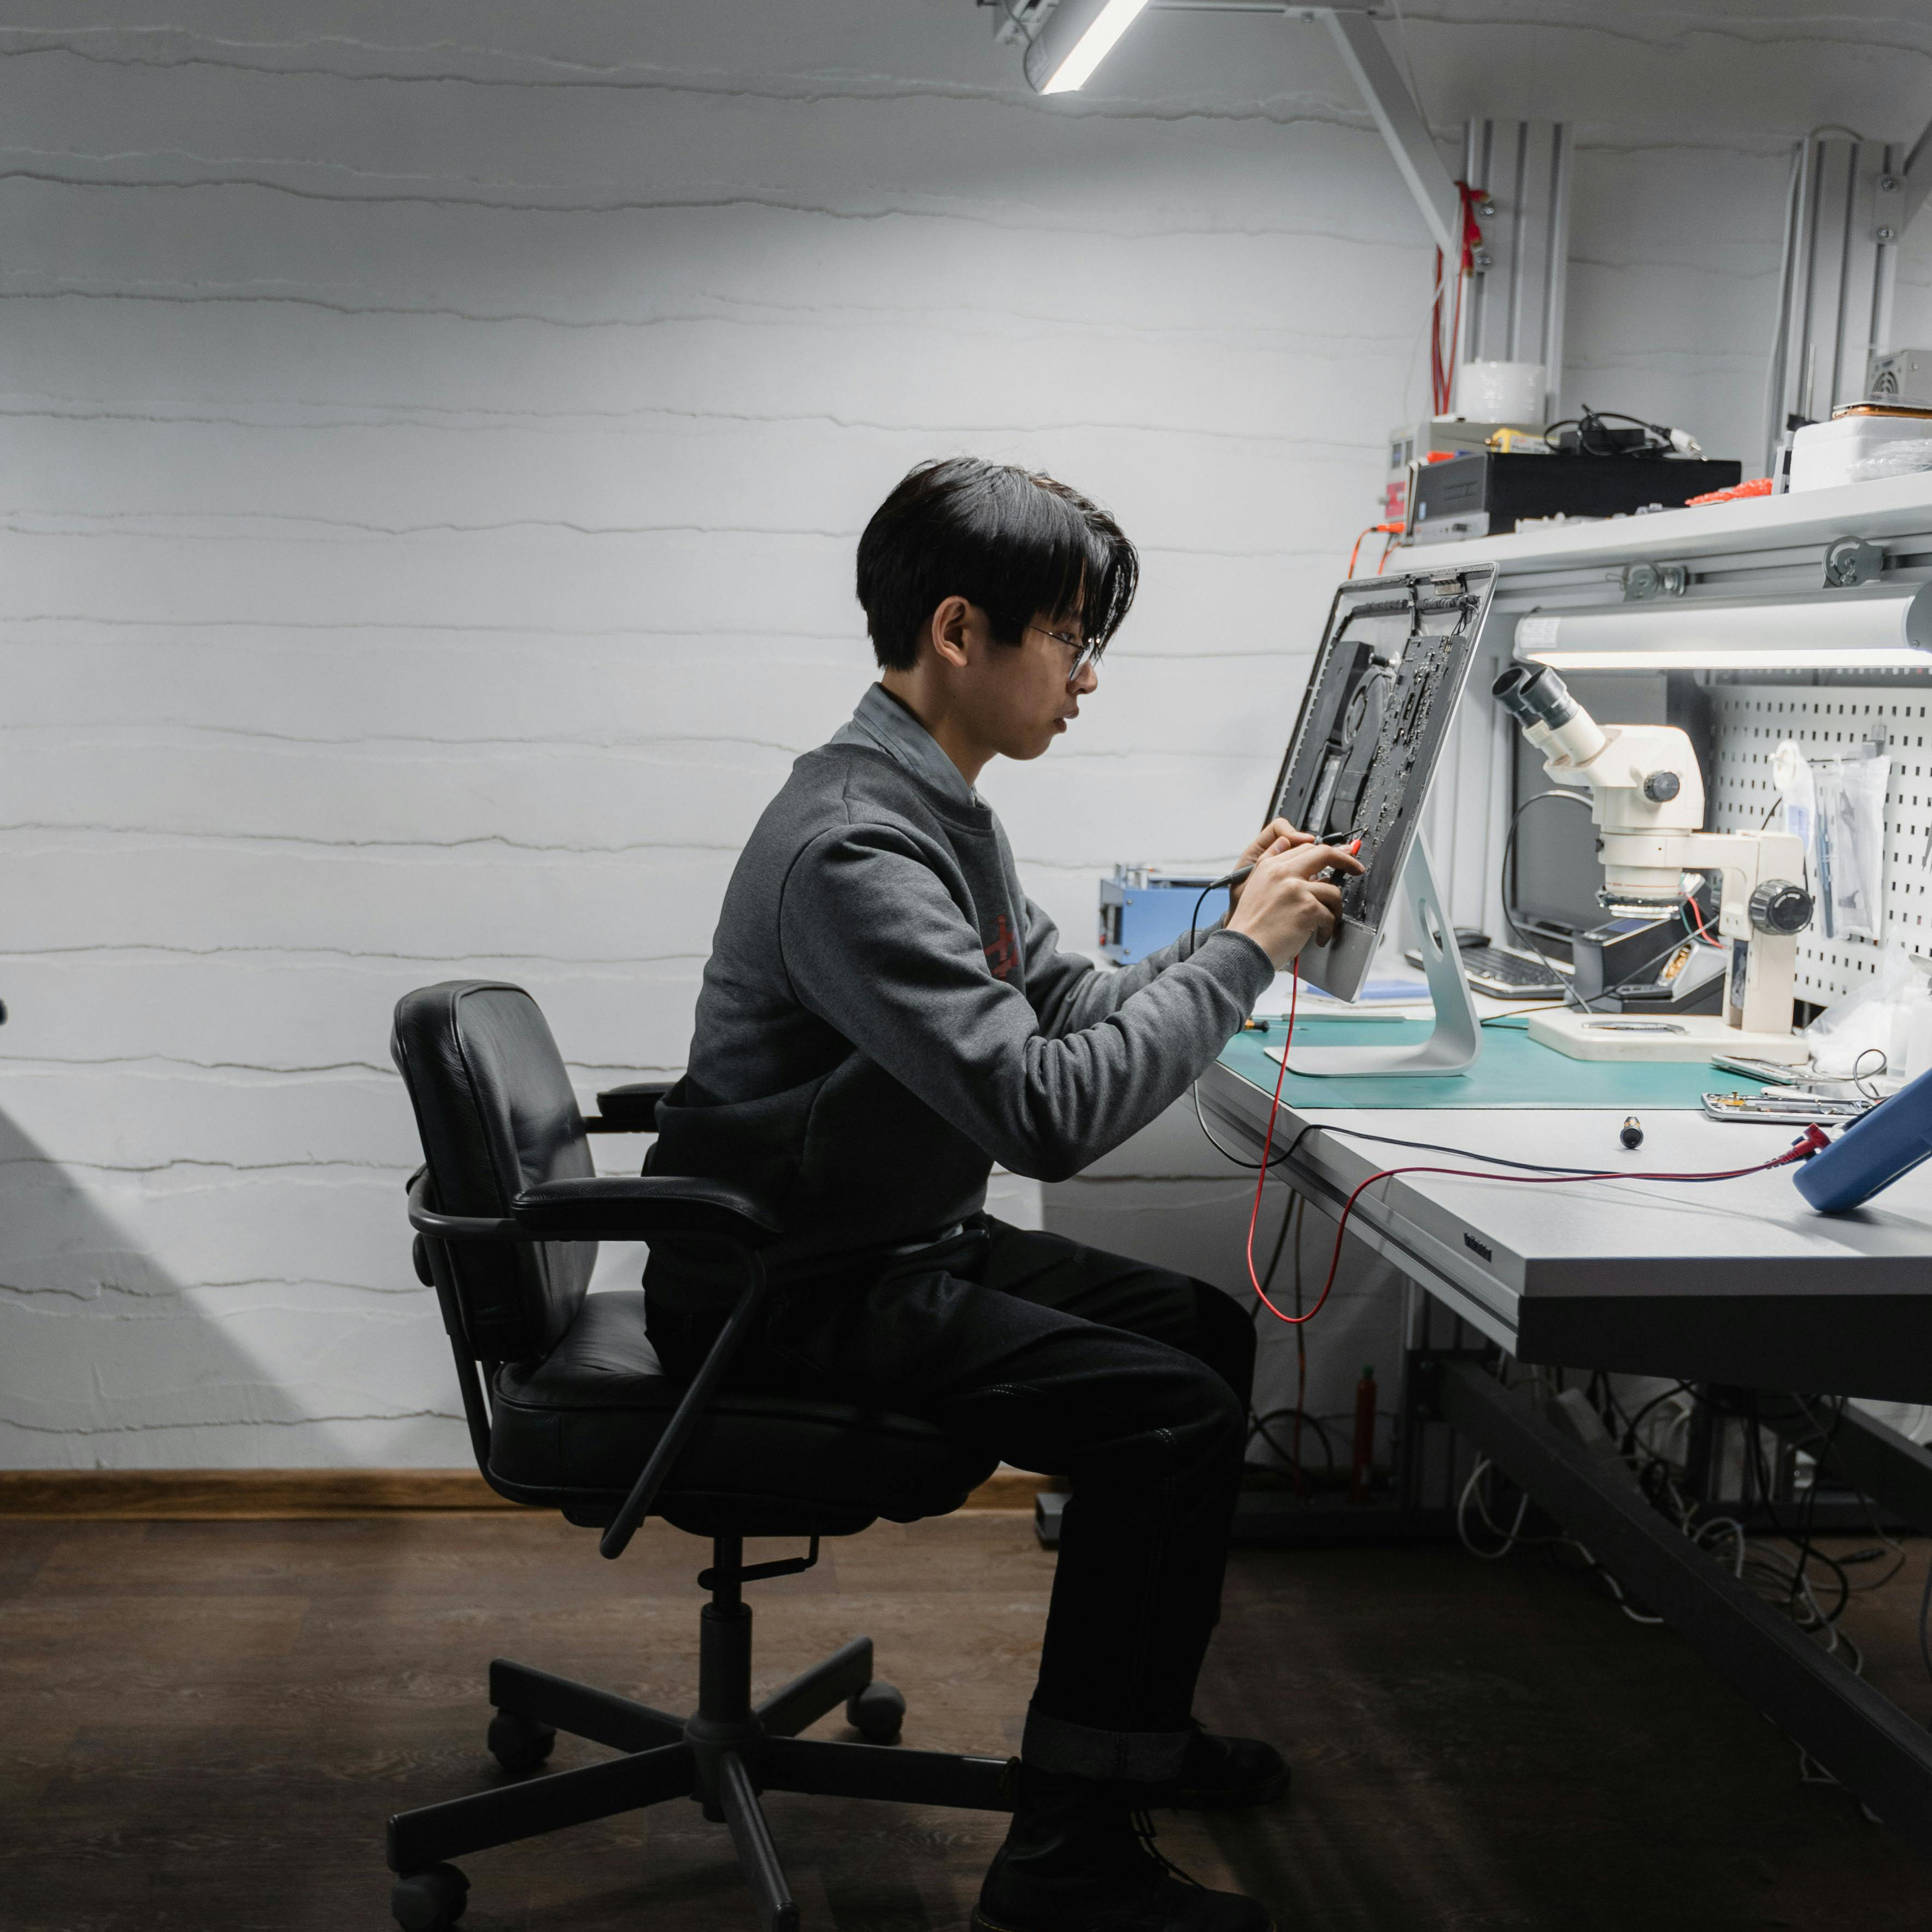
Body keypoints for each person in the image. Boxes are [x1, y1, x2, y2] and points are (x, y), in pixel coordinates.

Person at [647, 456, 1363, 1932]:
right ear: (962, 633)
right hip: (789, 1285)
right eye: (1073, 638)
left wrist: (1227, 923)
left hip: (882, 1240)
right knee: (1169, 1416)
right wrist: (1245, 958)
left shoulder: (932, 808)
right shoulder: (856, 848)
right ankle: (1065, 1868)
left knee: (1203, 1342)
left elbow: (1075, 1000)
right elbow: (1046, 1111)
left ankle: (1132, 1749)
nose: (1089, 678)